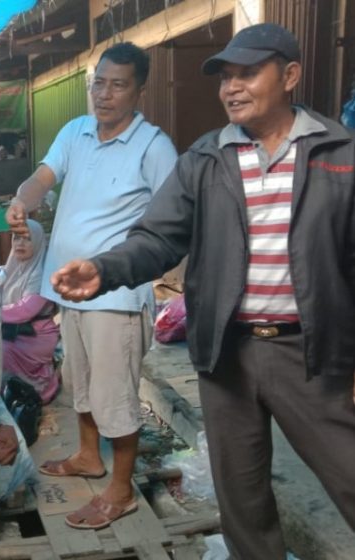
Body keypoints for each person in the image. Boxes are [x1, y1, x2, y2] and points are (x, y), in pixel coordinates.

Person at [51, 23, 355, 559]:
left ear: (289, 76)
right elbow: (157, 236)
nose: (231, 88)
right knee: (243, 496)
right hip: (226, 351)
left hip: (311, 353)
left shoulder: (338, 156)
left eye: (247, 74)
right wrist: (107, 269)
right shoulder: (206, 159)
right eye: (225, 77)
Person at [5, 42, 178, 530]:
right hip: (67, 290)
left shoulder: (154, 146)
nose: (103, 94)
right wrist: (23, 200)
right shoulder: (75, 131)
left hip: (117, 298)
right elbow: (43, 177)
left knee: (114, 393)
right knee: (80, 383)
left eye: (117, 84)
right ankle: (88, 456)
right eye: (98, 83)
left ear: (138, 90)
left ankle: (120, 491)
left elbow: (173, 220)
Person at [1, 220, 59, 403]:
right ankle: (9, 391)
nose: (20, 244)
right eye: (16, 238)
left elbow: (26, 310)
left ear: (38, 241)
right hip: (15, 330)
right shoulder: (12, 267)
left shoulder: (43, 274)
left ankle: (40, 389)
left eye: (27, 239)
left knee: (1, 349)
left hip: (37, 334)